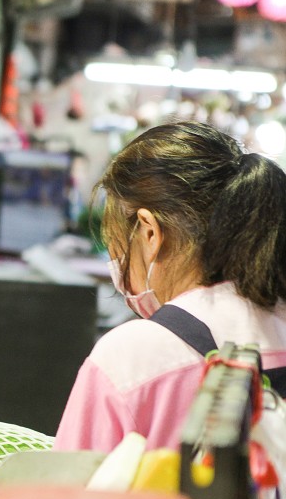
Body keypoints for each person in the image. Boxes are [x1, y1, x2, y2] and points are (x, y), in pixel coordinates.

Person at [54, 120, 286, 452]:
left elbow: (70, 497)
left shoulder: (133, 356)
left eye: (118, 244)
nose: (118, 261)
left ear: (149, 233)